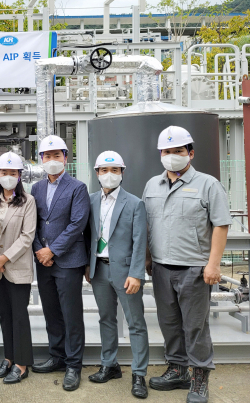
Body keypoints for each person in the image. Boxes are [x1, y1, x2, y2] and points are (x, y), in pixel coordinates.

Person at [143, 126, 232, 403]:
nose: (172, 156)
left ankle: (200, 378)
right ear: (160, 154)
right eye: (167, 151)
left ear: (190, 153)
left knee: (195, 327)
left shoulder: (208, 185)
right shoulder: (151, 186)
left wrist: (213, 265)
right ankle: (178, 370)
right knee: (169, 323)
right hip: (160, 267)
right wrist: (147, 258)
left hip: (194, 268)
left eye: (178, 151)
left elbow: (221, 225)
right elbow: (147, 226)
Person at [85, 151, 149, 399]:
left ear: (122, 173)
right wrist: (87, 266)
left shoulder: (134, 203)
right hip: (99, 269)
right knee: (106, 319)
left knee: (135, 323)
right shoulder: (90, 200)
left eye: (114, 171)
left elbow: (139, 240)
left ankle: (139, 373)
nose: (108, 175)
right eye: (103, 171)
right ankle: (109, 364)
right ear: (97, 174)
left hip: (125, 272)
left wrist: (136, 274)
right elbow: (87, 236)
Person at [30, 134, 90, 392]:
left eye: (57, 155)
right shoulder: (36, 188)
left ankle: (74, 365)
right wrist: (39, 250)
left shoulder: (78, 188)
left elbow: (78, 224)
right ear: (40, 159)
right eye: (47, 156)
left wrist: (52, 250)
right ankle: (57, 356)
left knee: (71, 314)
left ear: (66, 158)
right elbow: (31, 224)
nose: (52, 160)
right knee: (51, 312)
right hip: (43, 261)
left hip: (68, 260)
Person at [0, 152, 36, 385]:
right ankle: (8, 357)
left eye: (12, 173)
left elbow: (27, 237)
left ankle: (22, 364)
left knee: (20, 316)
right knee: (5, 315)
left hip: (17, 267)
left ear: (19, 175)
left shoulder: (28, 202)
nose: (7, 176)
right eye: (4, 172)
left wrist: (4, 258)